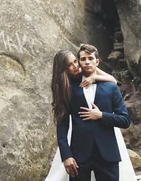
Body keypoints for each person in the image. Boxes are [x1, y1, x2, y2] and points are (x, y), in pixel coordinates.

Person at [46, 47, 134, 181]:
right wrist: (66, 156)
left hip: (108, 154)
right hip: (79, 156)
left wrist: (102, 115)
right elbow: (62, 125)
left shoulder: (110, 87)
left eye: (90, 58)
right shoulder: (68, 89)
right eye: (82, 59)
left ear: (97, 61)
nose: (86, 62)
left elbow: (125, 120)